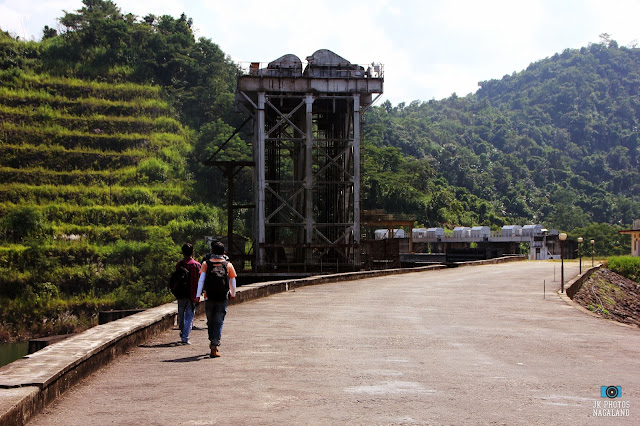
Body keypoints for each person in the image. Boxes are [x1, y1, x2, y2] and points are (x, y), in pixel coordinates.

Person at [196, 241, 237, 358]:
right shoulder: (228, 265)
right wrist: (233, 294)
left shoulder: (206, 264)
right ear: (223, 252)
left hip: (209, 297)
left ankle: (212, 341)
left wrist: (198, 295)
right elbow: (232, 282)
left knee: (210, 320)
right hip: (222, 297)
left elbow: (201, 281)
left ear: (212, 252)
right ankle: (214, 345)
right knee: (219, 321)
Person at [176, 243, 201, 345]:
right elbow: (199, 282)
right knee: (189, 316)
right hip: (192, 294)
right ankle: (185, 337)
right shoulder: (197, 265)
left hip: (181, 294)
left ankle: (182, 331)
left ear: (183, 252)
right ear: (192, 252)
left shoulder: (179, 264)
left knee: (181, 315)